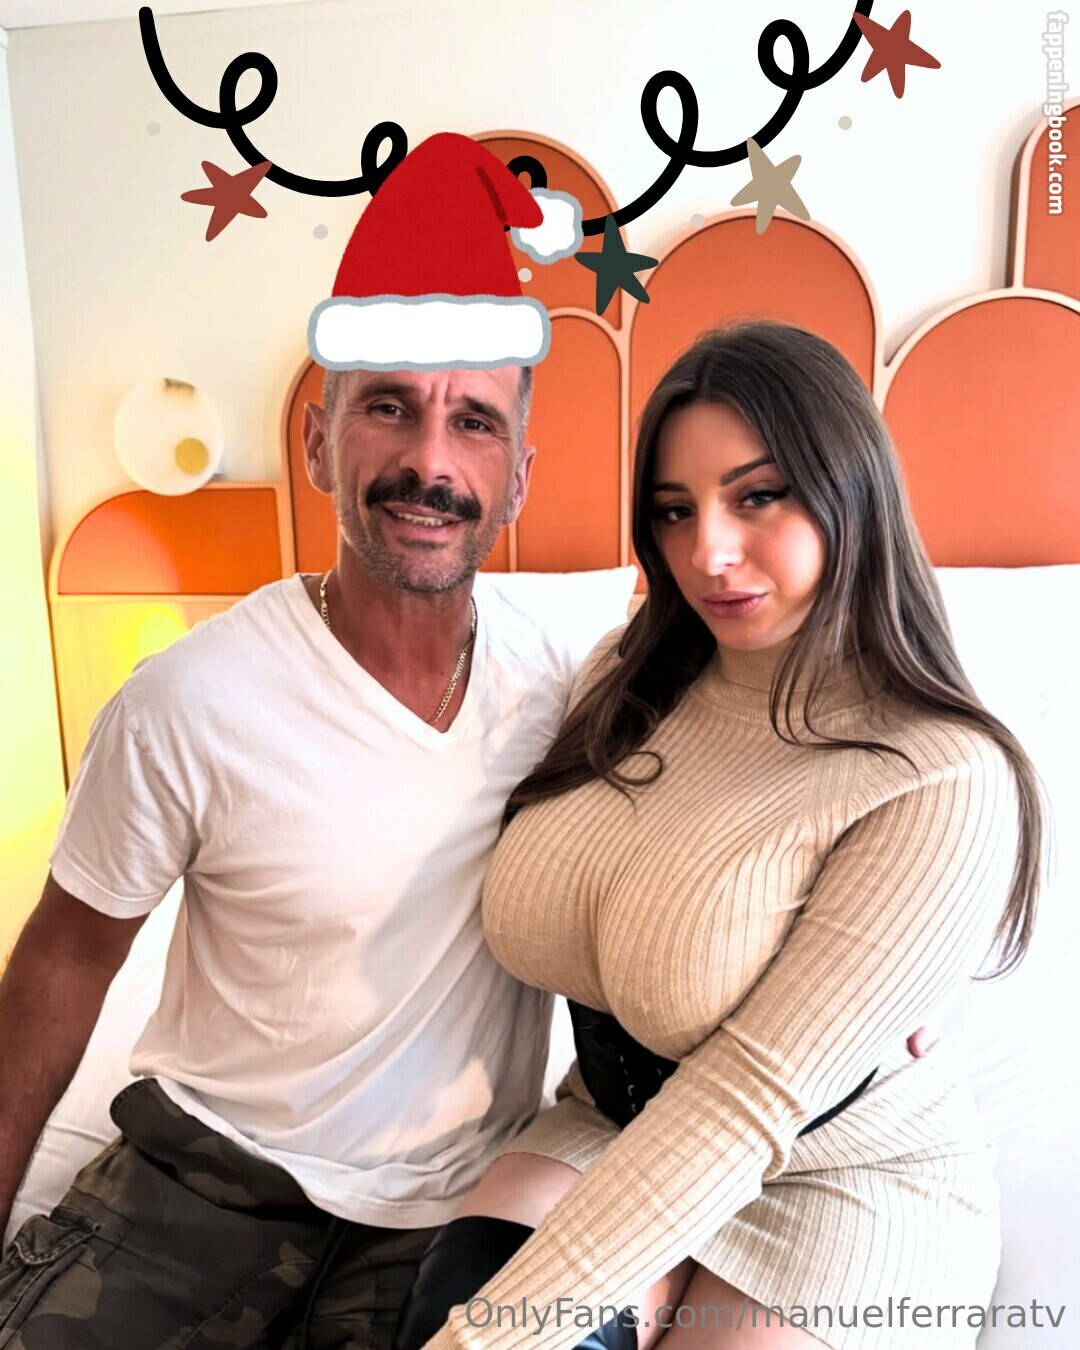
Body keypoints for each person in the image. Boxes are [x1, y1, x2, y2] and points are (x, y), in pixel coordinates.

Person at [391, 321, 1045, 1350]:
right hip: (610, 1125)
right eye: (674, 510)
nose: (709, 553)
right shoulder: (622, 675)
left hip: (841, 1177)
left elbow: (747, 1102)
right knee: (453, 1312)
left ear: (850, 491)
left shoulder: (941, 774)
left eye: (759, 496)